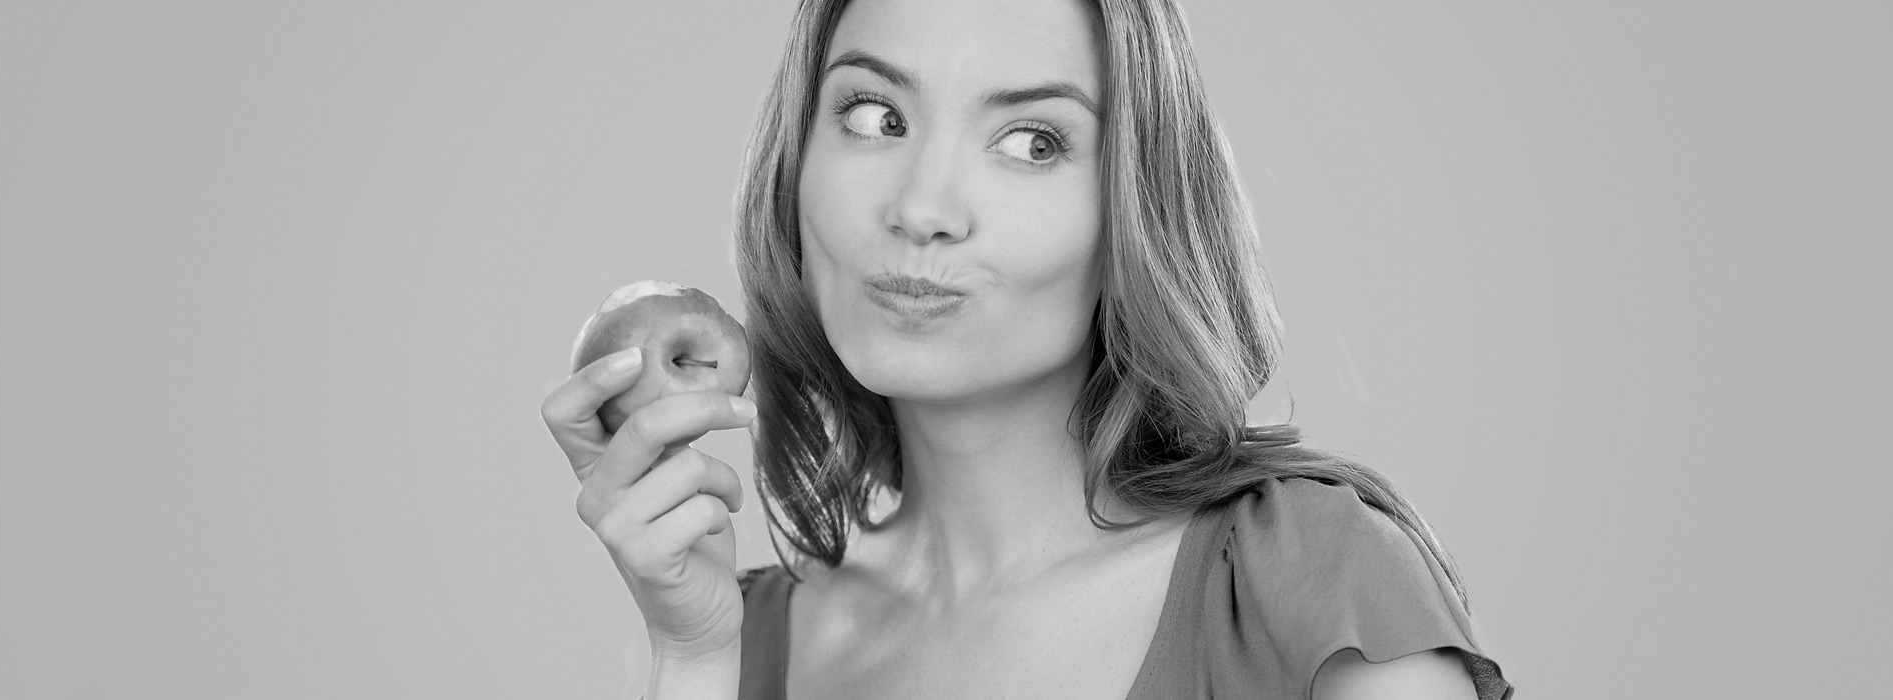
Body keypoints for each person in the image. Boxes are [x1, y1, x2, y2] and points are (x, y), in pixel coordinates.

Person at [541, 0, 1515, 698]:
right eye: (874, 116)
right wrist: (693, 661)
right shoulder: (742, 640)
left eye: (1032, 141)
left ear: (1132, 204)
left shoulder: (1302, 579)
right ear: (795, 166)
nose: (920, 207)